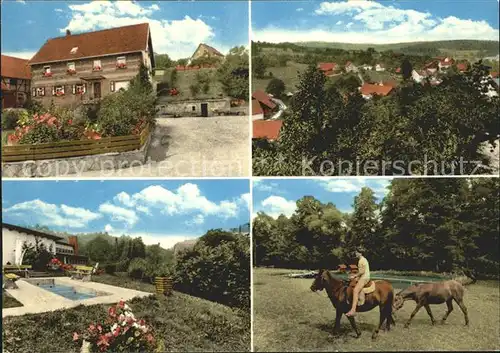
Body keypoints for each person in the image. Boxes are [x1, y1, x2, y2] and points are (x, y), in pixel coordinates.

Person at [346, 248, 370, 317]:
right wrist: (355, 277)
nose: (356, 254)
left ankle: (353, 310)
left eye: (357, 252)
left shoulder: (361, 260)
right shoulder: (362, 260)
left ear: (360, 253)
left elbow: (362, 271)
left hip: (364, 278)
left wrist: (354, 276)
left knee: (356, 290)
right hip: (363, 277)